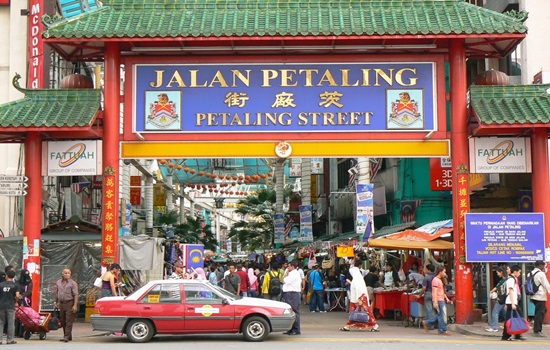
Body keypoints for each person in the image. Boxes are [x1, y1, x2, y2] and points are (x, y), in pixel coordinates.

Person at [340, 259, 379, 332]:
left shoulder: (356, 277)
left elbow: (358, 288)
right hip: (359, 297)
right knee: (363, 310)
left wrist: (359, 298)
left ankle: (374, 325)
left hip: (359, 298)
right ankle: (348, 325)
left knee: (362, 311)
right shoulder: (357, 277)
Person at [422, 266, 451, 336]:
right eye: (444, 272)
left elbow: (442, 291)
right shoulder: (435, 280)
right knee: (443, 315)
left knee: (440, 315)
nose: (445, 273)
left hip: (441, 299)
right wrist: (435, 302)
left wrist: (446, 298)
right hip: (439, 299)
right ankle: (442, 330)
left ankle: (427, 322)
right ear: (440, 272)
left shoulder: (440, 280)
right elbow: (434, 292)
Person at [53, 268, 78, 343]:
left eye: (68, 273)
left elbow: (76, 295)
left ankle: (66, 337)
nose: (67, 275)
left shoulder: (73, 283)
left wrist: (75, 305)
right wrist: (55, 302)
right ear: (62, 274)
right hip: (61, 303)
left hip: (69, 303)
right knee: (63, 321)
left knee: (69, 320)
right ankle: (68, 335)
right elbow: (56, 293)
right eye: (66, 273)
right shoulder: (58, 282)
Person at [501, 265, 525, 341]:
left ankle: (516, 335)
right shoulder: (511, 279)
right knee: (511, 319)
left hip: (511, 302)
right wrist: (513, 303)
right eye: (519, 272)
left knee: (516, 318)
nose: (519, 274)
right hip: (512, 302)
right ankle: (506, 336)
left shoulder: (512, 279)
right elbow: (510, 291)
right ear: (515, 272)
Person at [530, 260, 550, 337]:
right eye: (543, 266)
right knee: (540, 313)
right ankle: (537, 331)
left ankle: (536, 328)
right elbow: (546, 284)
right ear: (540, 265)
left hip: (533, 295)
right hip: (540, 296)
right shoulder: (541, 274)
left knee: (541, 311)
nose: (543, 267)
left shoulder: (530, 273)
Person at [282, 260, 302, 335]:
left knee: (294, 311)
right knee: (290, 311)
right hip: (289, 293)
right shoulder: (291, 273)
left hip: (292, 293)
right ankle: (291, 328)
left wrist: (286, 275)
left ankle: (296, 329)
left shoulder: (294, 274)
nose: (287, 267)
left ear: (292, 267)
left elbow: (284, 281)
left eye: (289, 266)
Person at [486, 266, 508, 332]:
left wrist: (491, 292)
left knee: (495, 312)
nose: (497, 274)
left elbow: (497, 287)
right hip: (505, 299)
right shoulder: (507, 279)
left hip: (501, 299)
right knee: (506, 313)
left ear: (501, 272)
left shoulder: (503, 280)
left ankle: (494, 327)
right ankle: (507, 326)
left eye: (497, 272)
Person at [0, 270, 19, 345]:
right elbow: (17, 295)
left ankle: (0, 340)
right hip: (11, 305)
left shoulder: (1, 284)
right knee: (11, 323)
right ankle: (10, 340)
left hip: (1, 305)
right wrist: (16, 302)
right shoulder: (15, 285)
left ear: (7, 276)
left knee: (1, 322)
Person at [416, 264, 435, 328]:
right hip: (435, 294)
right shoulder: (436, 276)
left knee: (429, 310)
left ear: (428, 270)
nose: (425, 270)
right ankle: (437, 324)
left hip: (428, 293)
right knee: (436, 310)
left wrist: (419, 295)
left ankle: (431, 325)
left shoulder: (426, 277)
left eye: (426, 269)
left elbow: (424, 288)